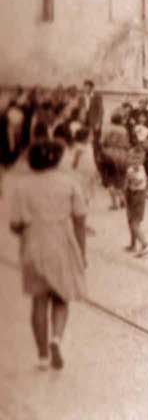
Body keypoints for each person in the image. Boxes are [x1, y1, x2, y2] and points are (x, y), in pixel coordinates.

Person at [9, 141, 87, 370]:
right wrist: (81, 253)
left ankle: (43, 357)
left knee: (39, 301)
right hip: (62, 245)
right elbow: (80, 220)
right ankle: (56, 340)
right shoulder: (69, 183)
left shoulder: (23, 187)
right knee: (62, 297)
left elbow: (15, 225)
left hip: (34, 246)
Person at [124, 147, 148, 257]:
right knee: (130, 220)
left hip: (137, 196)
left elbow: (134, 181)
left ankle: (144, 243)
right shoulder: (133, 169)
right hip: (132, 195)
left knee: (134, 223)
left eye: (138, 159)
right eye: (133, 158)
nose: (135, 161)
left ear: (142, 160)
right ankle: (133, 244)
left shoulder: (137, 170)